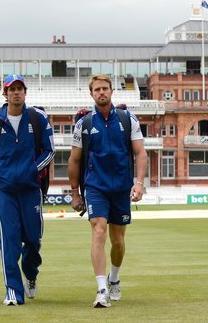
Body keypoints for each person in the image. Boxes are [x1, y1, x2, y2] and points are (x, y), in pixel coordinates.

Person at [67, 74, 147, 308]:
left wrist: (139, 183)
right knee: (99, 231)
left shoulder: (127, 118)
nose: (101, 92)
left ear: (112, 91)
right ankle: (102, 289)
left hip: (121, 187)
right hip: (95, 187)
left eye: (105, 88)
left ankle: (114, 278)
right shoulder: (84, 123)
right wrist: (74, 193)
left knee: (118, 241)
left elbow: (140, 153)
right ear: (91, 94)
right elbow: (73, 159)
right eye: (97, 89)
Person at [0, 74, 55, 306]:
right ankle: (13, 289)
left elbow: (49, 150)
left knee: (33, 238)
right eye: (12, 89)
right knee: (9, 238)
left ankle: (30, 273)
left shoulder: (38, 118)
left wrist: (33, 169)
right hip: (5, 189)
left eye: (20, 89)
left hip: (31, 188)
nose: (16, 93)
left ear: (25, 92)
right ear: (5, 93)